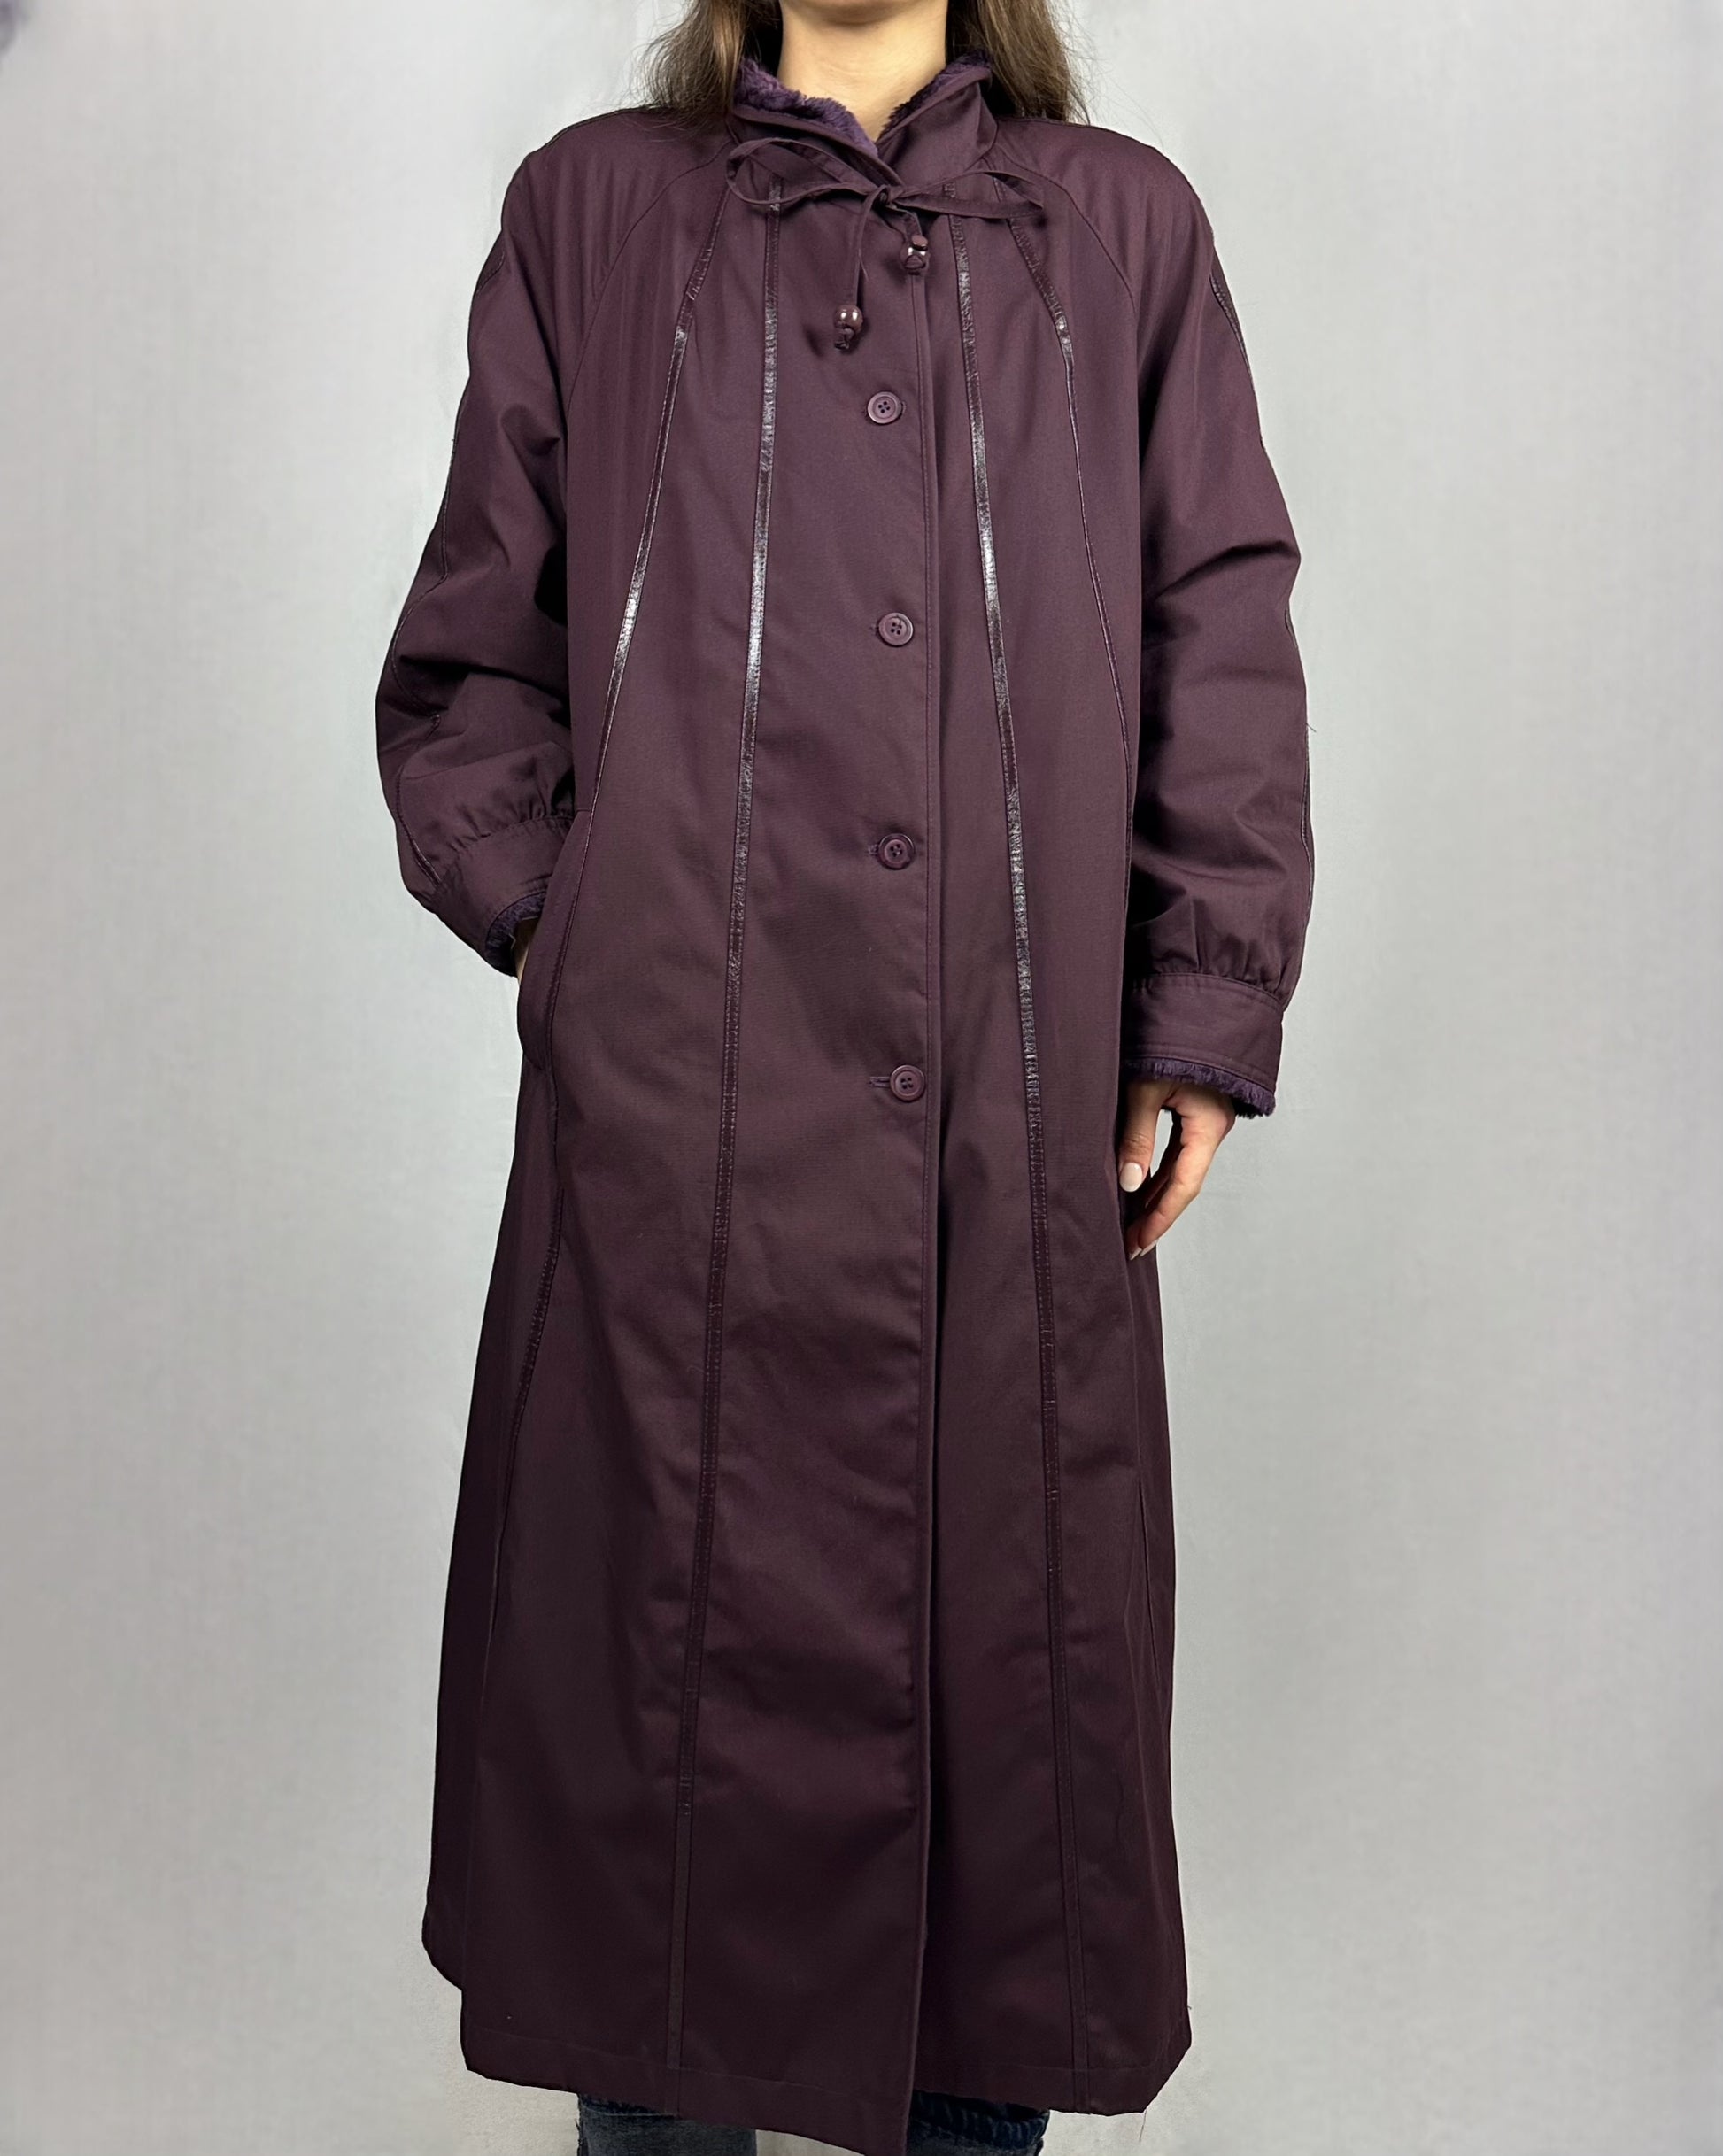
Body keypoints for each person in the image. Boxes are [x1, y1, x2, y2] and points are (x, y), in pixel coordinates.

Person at [374, 2, 1313, 2152]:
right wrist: (581, 940)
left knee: (998, 1836)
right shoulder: (595, 213)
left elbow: (1218, 624)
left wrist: (1199, 1005)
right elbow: (467, 664)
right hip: (660, 1166)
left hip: (1006, 1128)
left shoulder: (1119, 233)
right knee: (653, 1853)